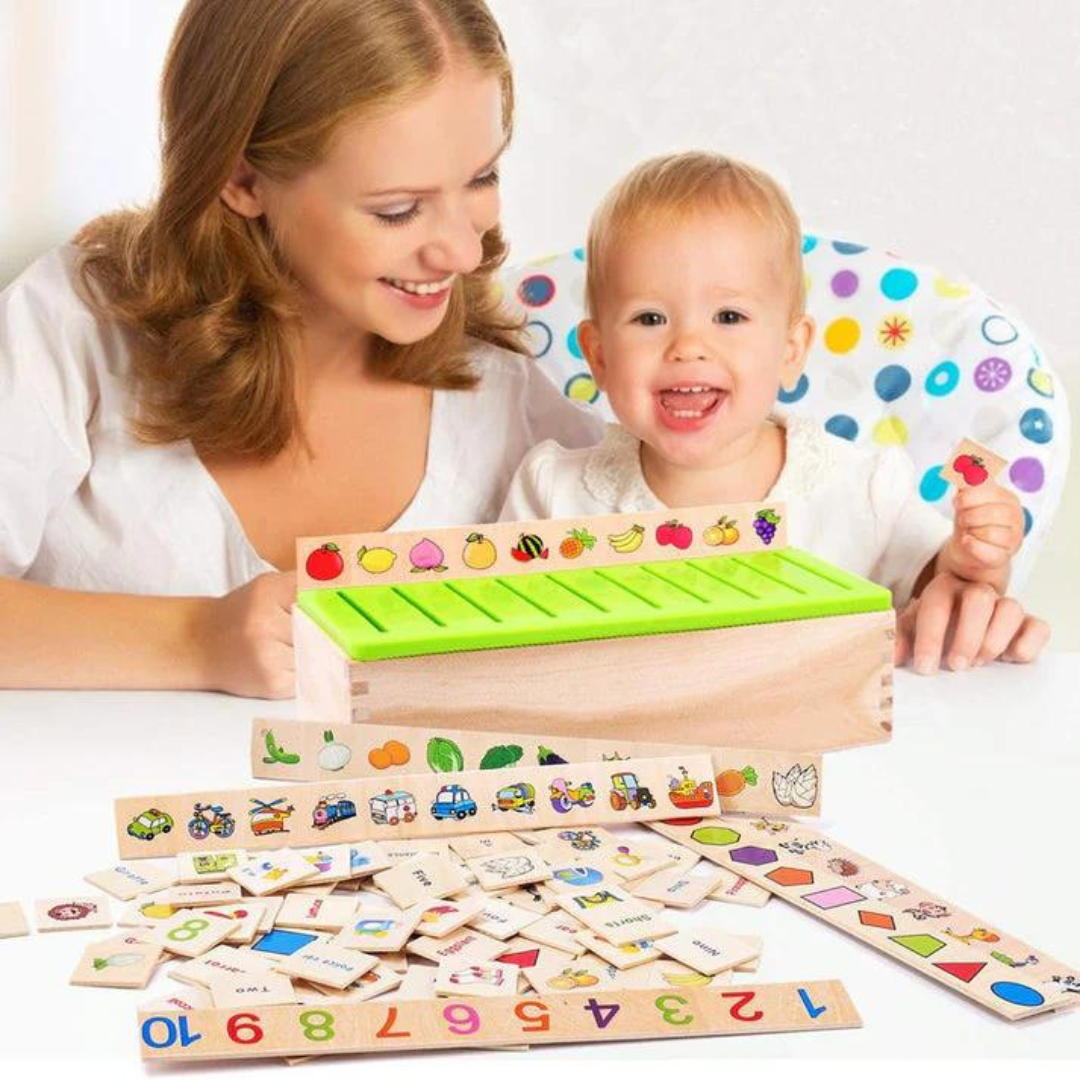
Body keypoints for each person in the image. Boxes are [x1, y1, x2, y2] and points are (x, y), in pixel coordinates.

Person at [0, 0, 604, 698]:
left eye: (482, 179)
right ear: (242, 179)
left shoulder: (505, 393)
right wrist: (195, 641)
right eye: (397, 209)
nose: (464, 250)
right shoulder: (73, 328)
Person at [500, 152, 1049, 674]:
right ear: (598, 355)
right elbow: (498, 644)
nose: (688, 345)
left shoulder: (860, 489)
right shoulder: (554, 494)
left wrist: (977, 560)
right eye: (649, 319)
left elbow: (944, 593)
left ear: (790, 351)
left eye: (729, 315)